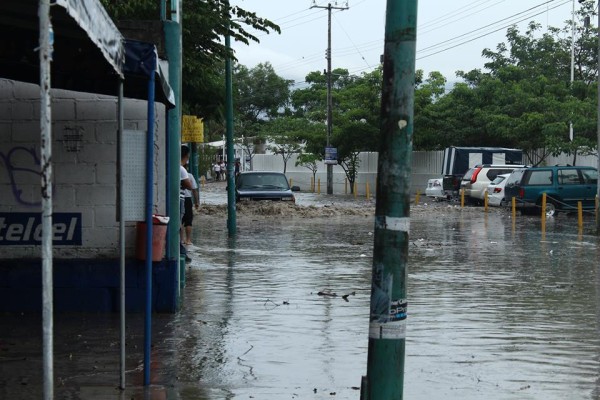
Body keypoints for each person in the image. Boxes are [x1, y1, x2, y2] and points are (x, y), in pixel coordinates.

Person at [180, 146, 193, 262]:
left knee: (181, 222)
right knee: (180, 222)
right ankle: (181, 249)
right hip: (180, 199)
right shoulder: (181, 169)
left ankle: (181, 246)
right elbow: (190, 186)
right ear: (186, 155)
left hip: (181, 199)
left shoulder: (175, 167)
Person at [182, 167, 199, 245]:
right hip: (188, 199)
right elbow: (194, 190)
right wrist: (196, 202)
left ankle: (181, 240)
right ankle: (188, 240)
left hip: (178, 198)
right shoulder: (190, 176)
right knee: (188, 220)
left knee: (180, 220)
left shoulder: (176, 173)